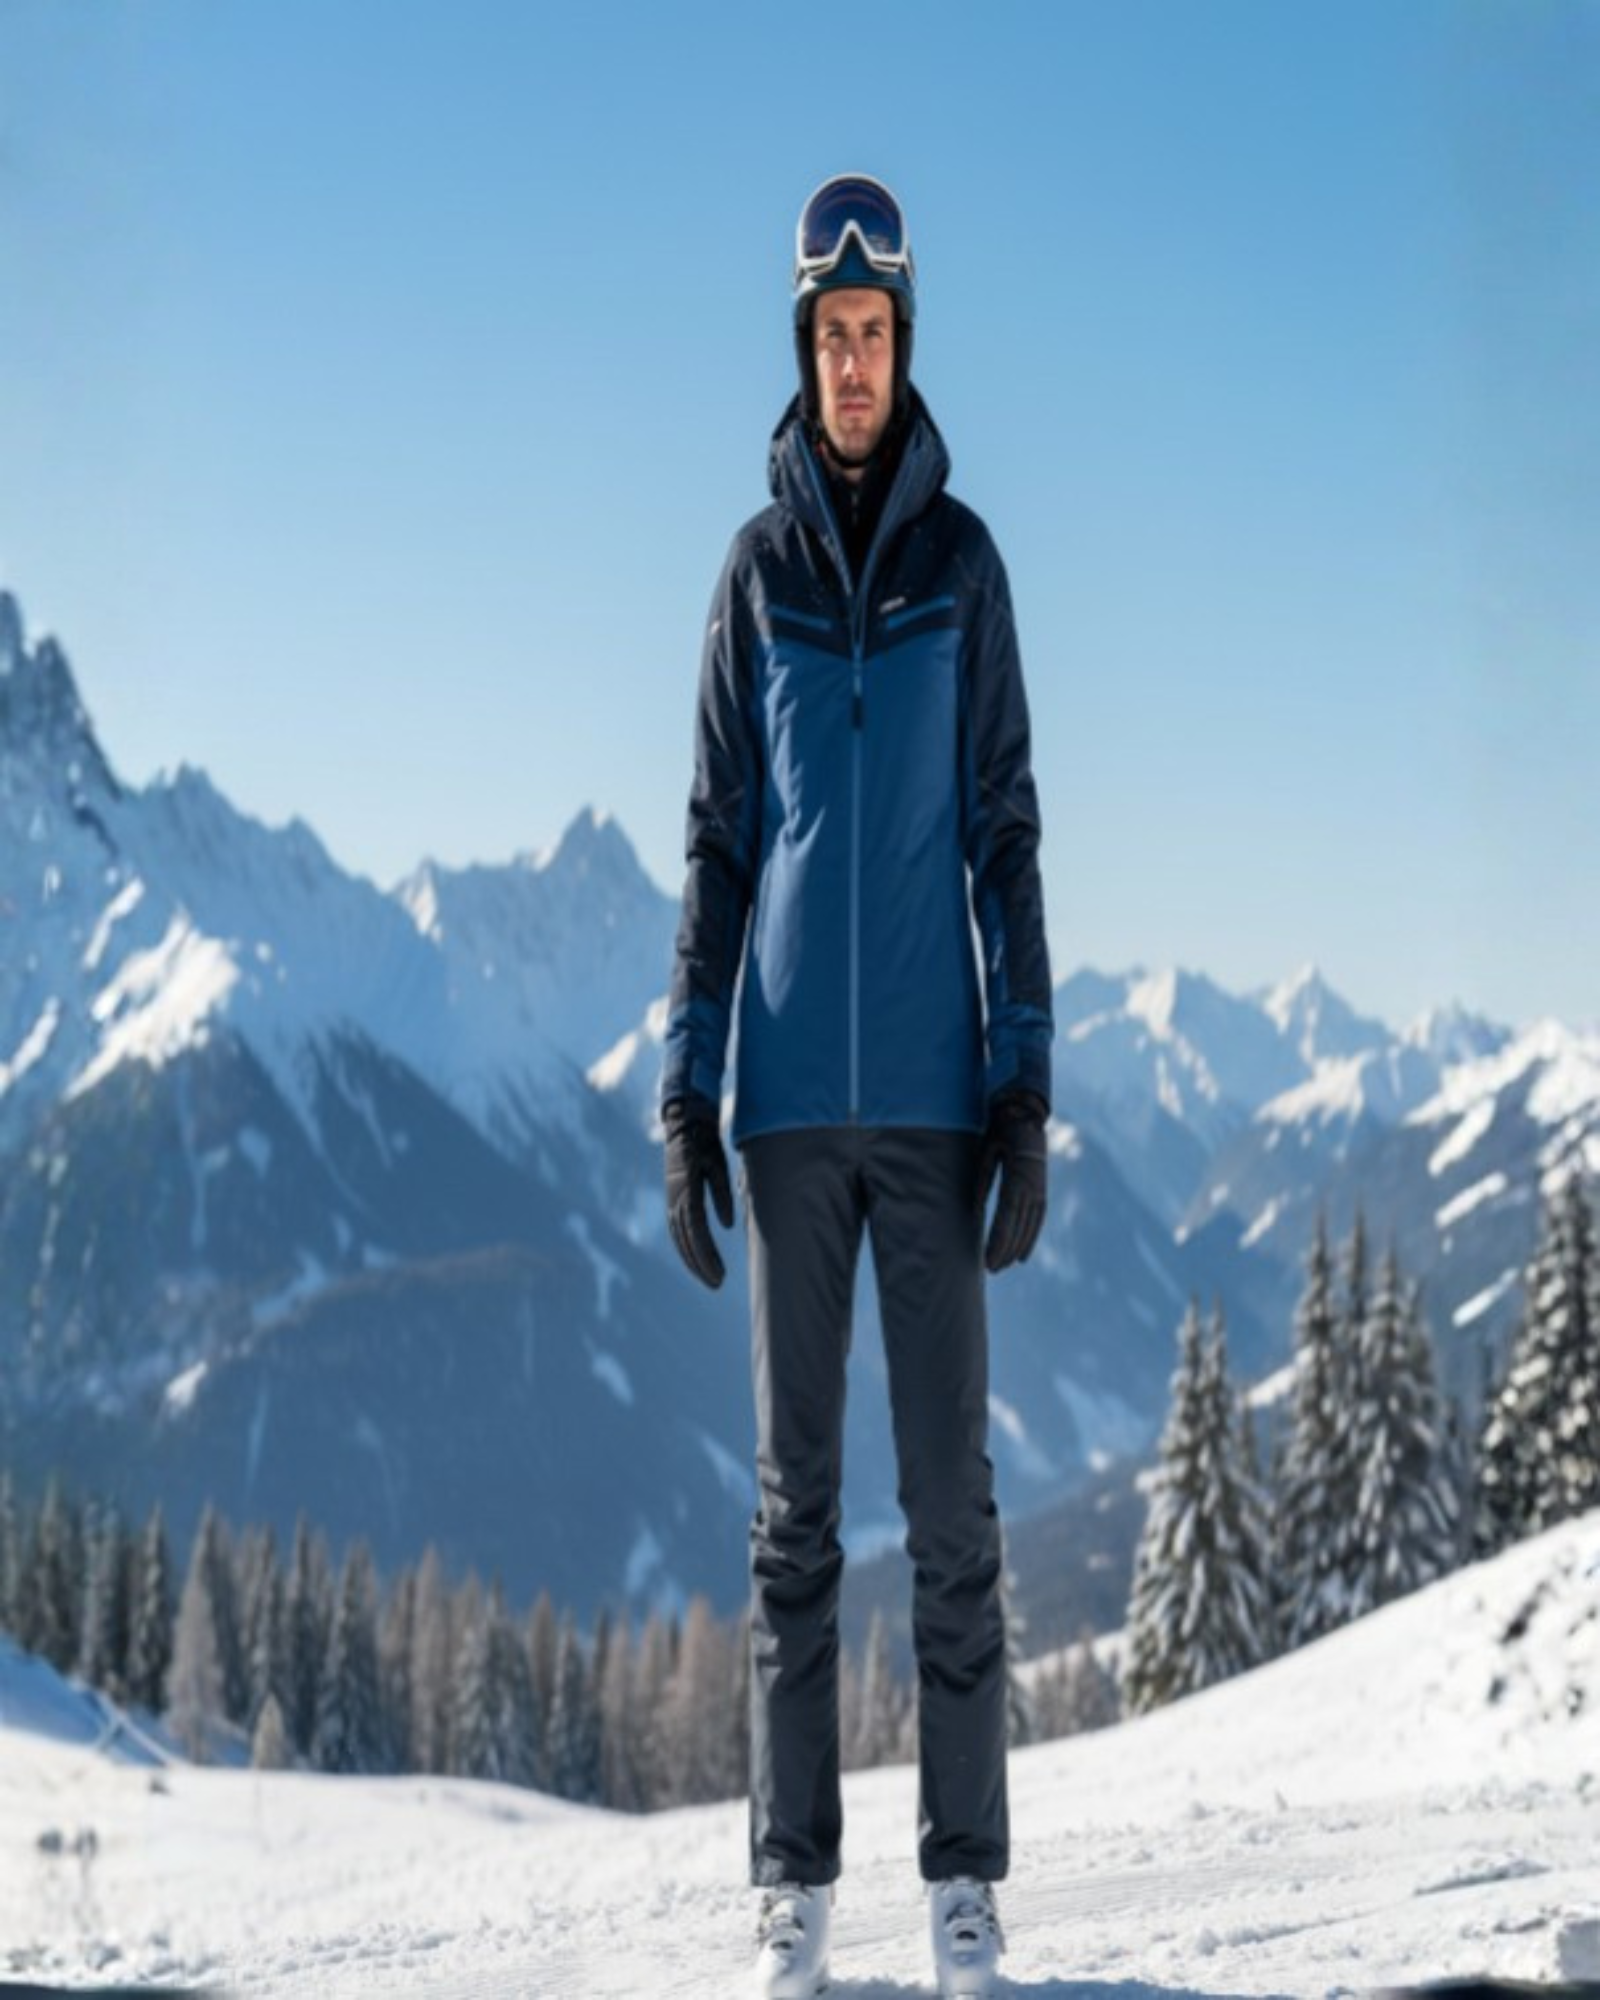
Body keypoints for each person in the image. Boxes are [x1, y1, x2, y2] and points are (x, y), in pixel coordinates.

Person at [660, 171, 1053, 2000]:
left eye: (876, 337)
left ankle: (964, 1885)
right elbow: (718, 850)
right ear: (802, 353)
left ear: (905, 350)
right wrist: (685, 1090)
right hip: (791, 1106)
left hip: (936, 1101)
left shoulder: (966, 572)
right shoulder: (753, 583)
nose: (853, 365)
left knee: (952, 1509)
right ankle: (792, 1890)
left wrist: (1026, 1084)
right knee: (793, 1518)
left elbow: (1005, 840)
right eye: (829, 339)